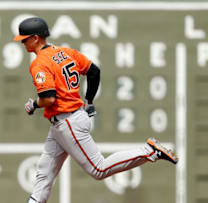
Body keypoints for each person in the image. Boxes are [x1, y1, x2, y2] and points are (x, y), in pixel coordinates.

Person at [13, 17, 178, 203]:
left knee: (98, 169)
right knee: (44, 173)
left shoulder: (39, 63)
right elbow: (94, 72)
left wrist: (33, 105)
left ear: (35, 38)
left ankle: (149, 151)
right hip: (66, 121)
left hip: (67, 123)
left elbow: (49, 98)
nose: (22, 42)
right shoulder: (65, 52)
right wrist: (89, 100)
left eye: (24, 39)